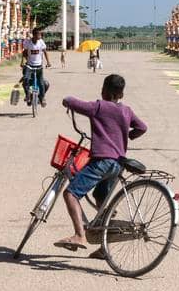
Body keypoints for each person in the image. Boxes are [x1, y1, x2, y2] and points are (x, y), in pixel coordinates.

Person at [57, 73, 148, 251]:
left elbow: (73, 102)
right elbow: (142, 127)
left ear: (103, 90)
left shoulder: (99, 107)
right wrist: (129, 135)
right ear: (121, 94)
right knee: (100, 199)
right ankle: (104, 246)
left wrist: (66, 100)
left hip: (102, 162)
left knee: (70, 194)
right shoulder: (126, 111)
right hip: (117, 164)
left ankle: (80, 236)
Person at [21, 27, 51, 106]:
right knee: (25, 80)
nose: (40, 35)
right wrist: (22, 61)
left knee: (41, 83)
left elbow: (45, 52)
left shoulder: (41, 42)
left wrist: (48, 62)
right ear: (34, 35)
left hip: (39, 66)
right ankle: (27, 95)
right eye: (39, 34)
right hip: (30, 66)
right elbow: (24, 53)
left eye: (40, 34)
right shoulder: (28, 42)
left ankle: (42, 98)